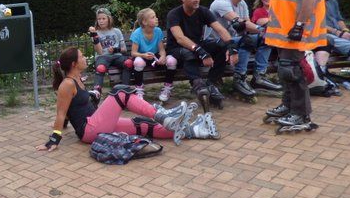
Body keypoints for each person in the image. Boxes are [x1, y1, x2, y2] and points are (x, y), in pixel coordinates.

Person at [36, 48, 219, 153]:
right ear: (74, 64)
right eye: (82, 56)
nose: (85, 58)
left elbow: (73, 110)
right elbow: (61, 113)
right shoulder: (67, 84)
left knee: (142, 124)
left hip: (97, 123)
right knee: (120, 92)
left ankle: (195, 130)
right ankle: (163, 116)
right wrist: (54, 139)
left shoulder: (77, 79)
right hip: (89, 130)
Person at [263, 0, 327, 132]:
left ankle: (300, 113)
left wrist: (299, 25)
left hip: (296, 30)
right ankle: (288, 105)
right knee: (285, 70)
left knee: (292, 70)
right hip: (282, 31)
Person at [206, 0, 281, 99]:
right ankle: (239, 79)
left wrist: (266, 32)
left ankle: (259, 77)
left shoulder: (242, 4)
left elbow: (248, 27)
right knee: (247, 40)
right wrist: (263, 29)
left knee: (266, 38)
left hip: (234, 41)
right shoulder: (221, 3)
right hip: (216, 43)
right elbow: (240, 22)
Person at [166, 0, 239, 109]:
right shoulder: (174, 14)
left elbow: (220, 29)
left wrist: (231, 48)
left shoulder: (203, 11)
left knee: (221, 46)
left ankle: (211, 83)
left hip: (196, 46)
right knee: (189, 53)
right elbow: (180, 38)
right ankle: (198, 84)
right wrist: (201, 52)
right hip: (177, 49)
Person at [129, 8, 178, 102]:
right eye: (153, 17)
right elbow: (133, 53)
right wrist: (143, 55)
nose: (156, 18)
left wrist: (163, 56)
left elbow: (161, 49)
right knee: (138, 62)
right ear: (145, 22)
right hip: (142, 56)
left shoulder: (158, 31)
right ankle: (139, 89)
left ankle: (167, 88)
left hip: (154, 57)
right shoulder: (137, 33)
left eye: (155, 16)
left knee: (172, 61)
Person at [89, 7, 132, 95]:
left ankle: (125, 89)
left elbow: (124, 49)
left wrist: (116, 49)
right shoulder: (95, 33)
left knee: (128, 63)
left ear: (109, 19)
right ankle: (96, 92)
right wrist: (94, 35)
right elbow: (99, 52)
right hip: (103, 57)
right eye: (99, 19)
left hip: (117, 56)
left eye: (103, 18)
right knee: (100, 68)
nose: (101, 21)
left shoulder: (117, 31)